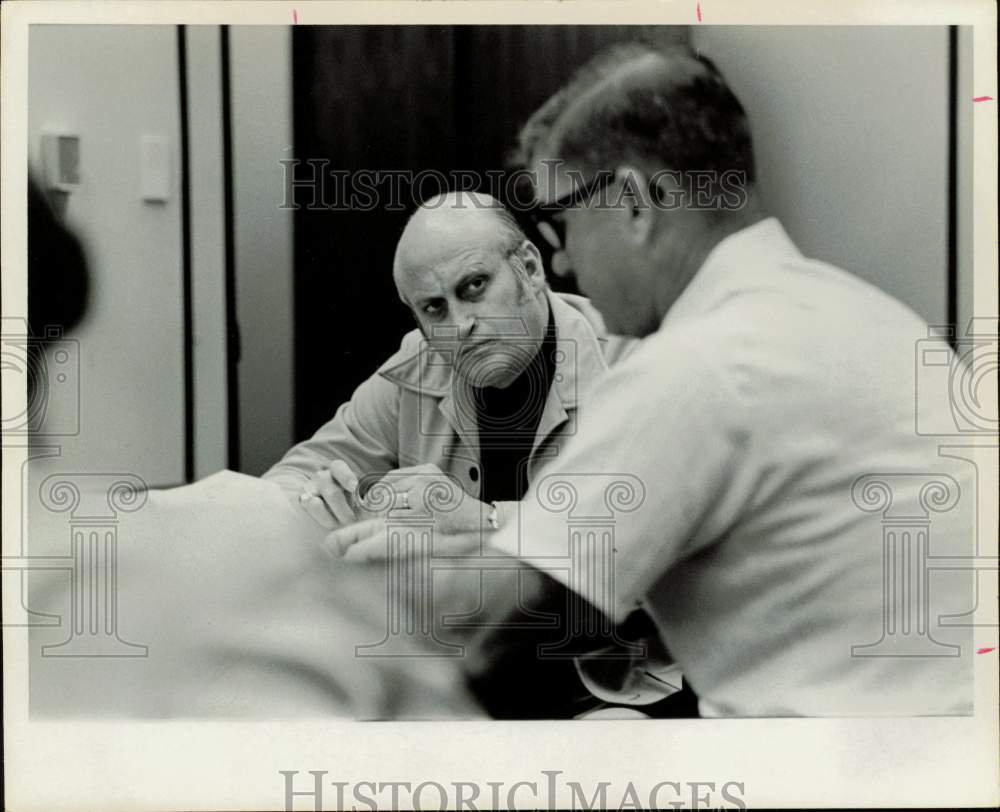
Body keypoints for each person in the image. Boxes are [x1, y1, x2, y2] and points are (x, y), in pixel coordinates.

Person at [332, 44, 974, 717]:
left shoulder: (699, 364)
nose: (562, 260)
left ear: (634, 205)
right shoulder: (872, 317)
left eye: (561, 222)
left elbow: (495, 646)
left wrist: (324, 602)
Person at [265, 190, 657, 717]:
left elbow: (646, 537)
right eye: (434, 309)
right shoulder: (418, 365)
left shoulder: (635, 363)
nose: (459, 325)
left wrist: (477, 519)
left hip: (604, 677)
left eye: (474, 287)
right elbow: (286, 480)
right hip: (459, 675)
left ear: (529, 267)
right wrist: (322, 500)